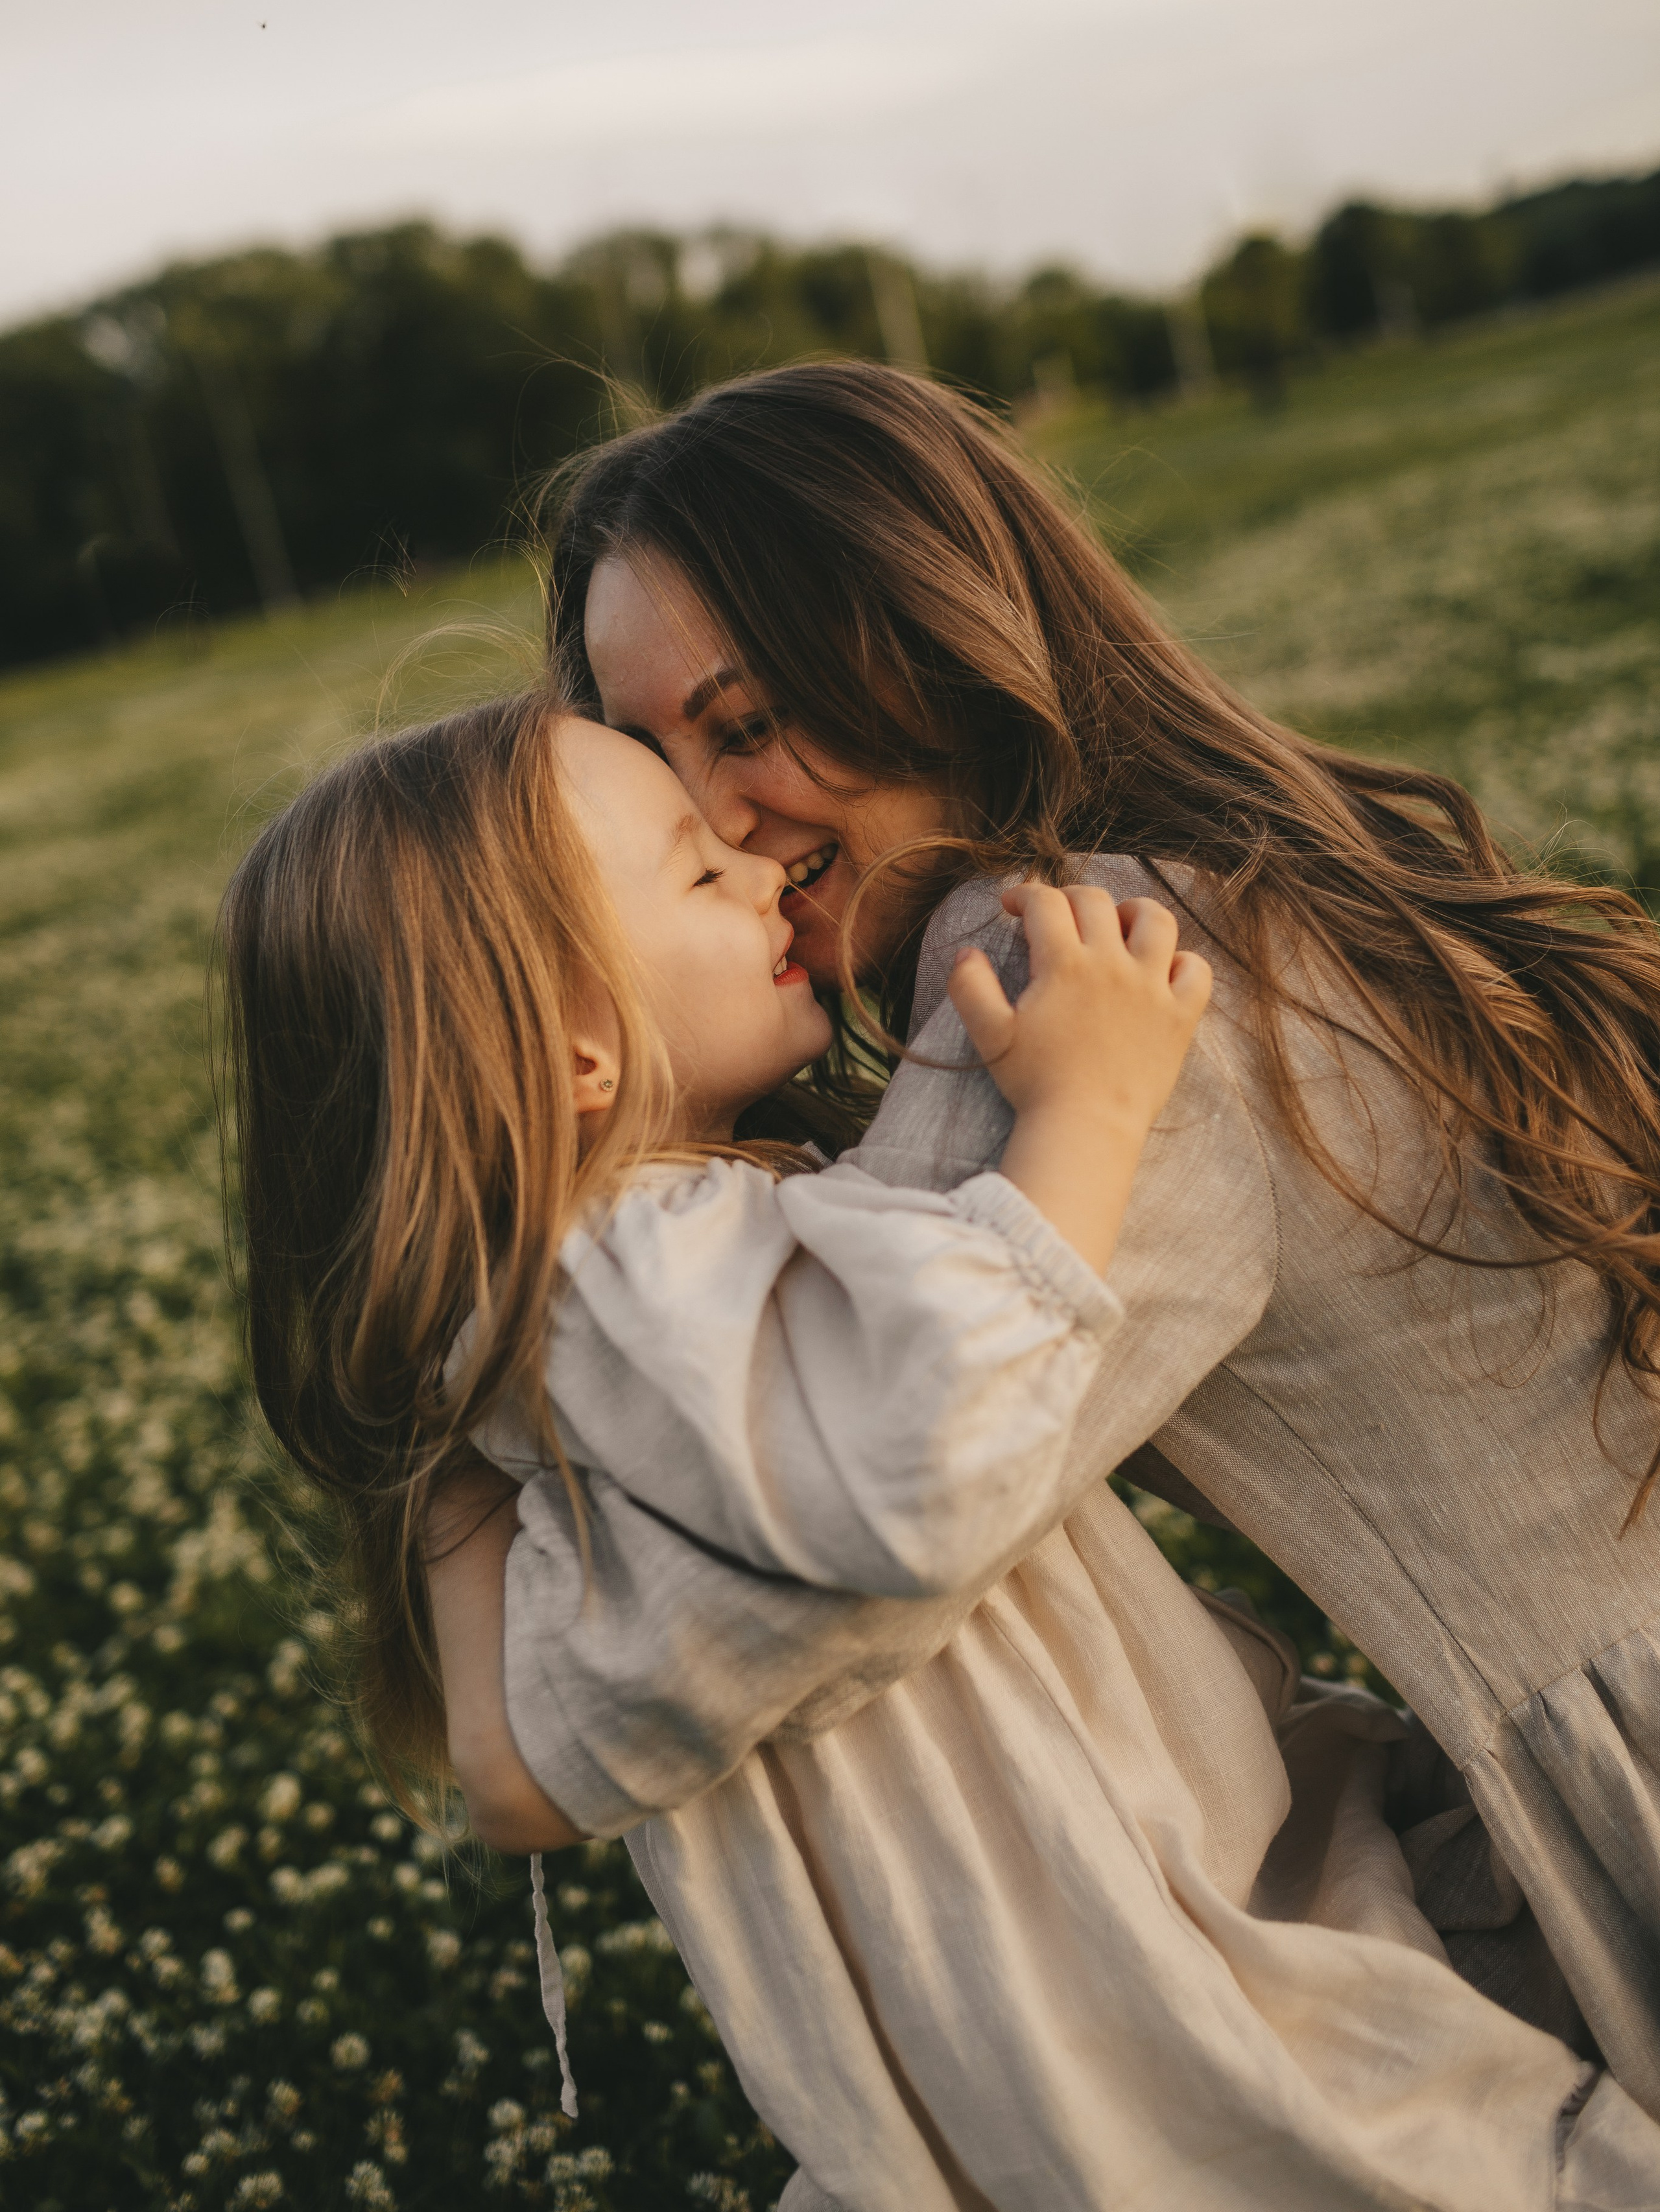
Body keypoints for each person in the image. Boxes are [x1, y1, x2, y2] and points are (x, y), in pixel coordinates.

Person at [218, 685, 1655, 2209]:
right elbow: (918, 1466)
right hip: (1115, 1979)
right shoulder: (634, 1266)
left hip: (1055, 1980)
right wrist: (1084, 1118)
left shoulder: (611, 1297)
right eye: (700, 875)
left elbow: (534, 1754)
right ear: (577, 1049)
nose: (758, 866)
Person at [520, 358, 1660, 2105]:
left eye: (744, 725)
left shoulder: (1059, 972)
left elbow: (799, 1554)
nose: (718, 826)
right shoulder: (1201, 869)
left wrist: (481, 1634)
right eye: (653, 763)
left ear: (926, 641)